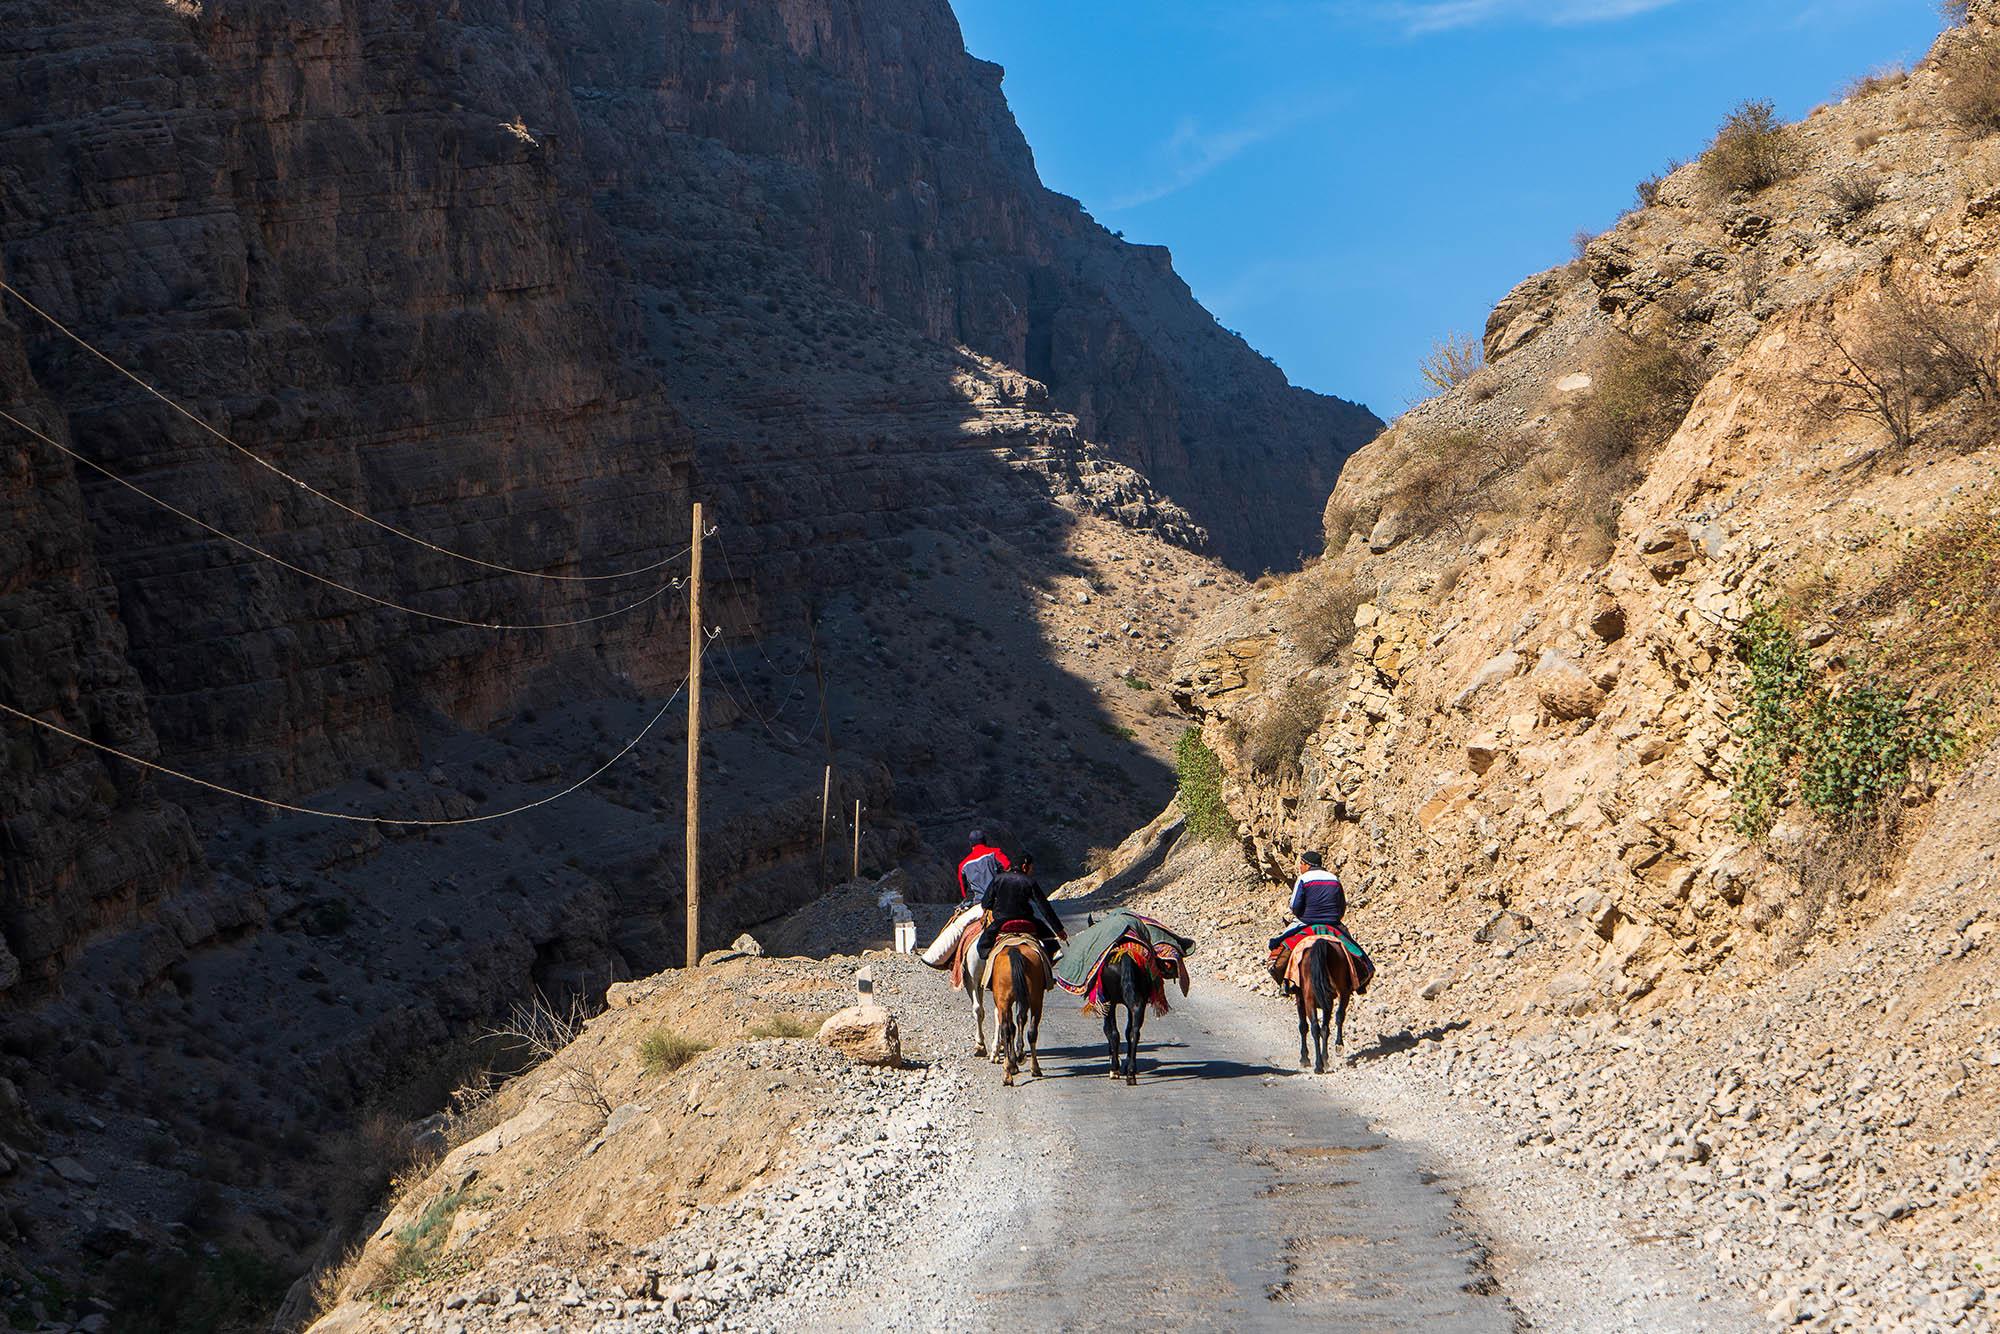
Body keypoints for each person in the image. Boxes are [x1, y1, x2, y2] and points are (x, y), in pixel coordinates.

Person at [975, 853, 1067, 962]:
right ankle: (1054, 952)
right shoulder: (1029, 881)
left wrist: (997, 907)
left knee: (982, 945)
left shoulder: (998, 879)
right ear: (1024, 866)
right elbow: (1045, 908)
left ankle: (988, 960)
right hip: (1026, 920)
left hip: (1001, 922)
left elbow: (985, 903)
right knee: (1050, 941)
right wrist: (1059, 930)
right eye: (1031, 868)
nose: (1031, 871)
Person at [1269, 850, 1345, 950]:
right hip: (1333, 922)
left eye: (1301, 864)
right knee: (1355, 949)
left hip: (1307, 921)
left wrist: (1301, 916)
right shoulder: (1334, 879)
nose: (1300, 867)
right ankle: (1367, 965)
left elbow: (1294, 905)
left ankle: (1273, 964)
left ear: (1307, 865)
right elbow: (1342, 905)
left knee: (1278, 945)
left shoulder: (1303, 879)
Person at [956, 830, 1010, 902]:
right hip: (998, 898)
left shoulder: (963, 865)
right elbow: (1008, 867)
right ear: (985, 841)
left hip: (977, 902)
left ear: (971, 844)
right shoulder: (995, 853)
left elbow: (964, 890)